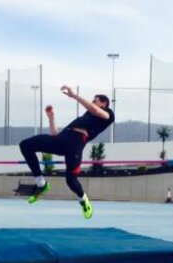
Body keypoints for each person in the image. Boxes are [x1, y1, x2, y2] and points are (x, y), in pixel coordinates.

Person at [18, 85, 115, 219]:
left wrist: (74, 95)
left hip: (75, 143)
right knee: (25, 145)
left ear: (104, 103)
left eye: (95, 100)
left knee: (70, 180)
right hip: (62, 139)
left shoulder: (108, 115)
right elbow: (55, 134)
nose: (92, 103)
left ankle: (84, 201)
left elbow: (95, 110)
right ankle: (41, 184)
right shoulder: (83, 118)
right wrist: (51, 118)